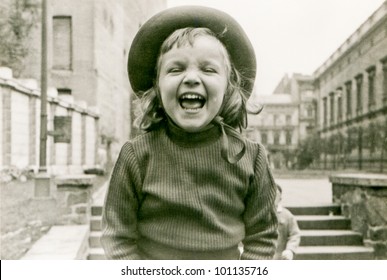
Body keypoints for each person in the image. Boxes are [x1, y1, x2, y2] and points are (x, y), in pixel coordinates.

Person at [101, 5, 278, 260]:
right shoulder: (136, 155)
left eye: (208, 69)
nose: (192, 78)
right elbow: (117, 239)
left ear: (229, 87)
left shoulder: (251, 157)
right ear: (157, 88)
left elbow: (262, 238)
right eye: (176, 69)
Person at [273, 184, 301, 260]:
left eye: (275, 195)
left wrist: (290, 250)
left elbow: (295, 234)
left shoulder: (287, 215)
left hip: (280, 256)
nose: (272, 198)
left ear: (280, 198)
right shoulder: (259, 214)